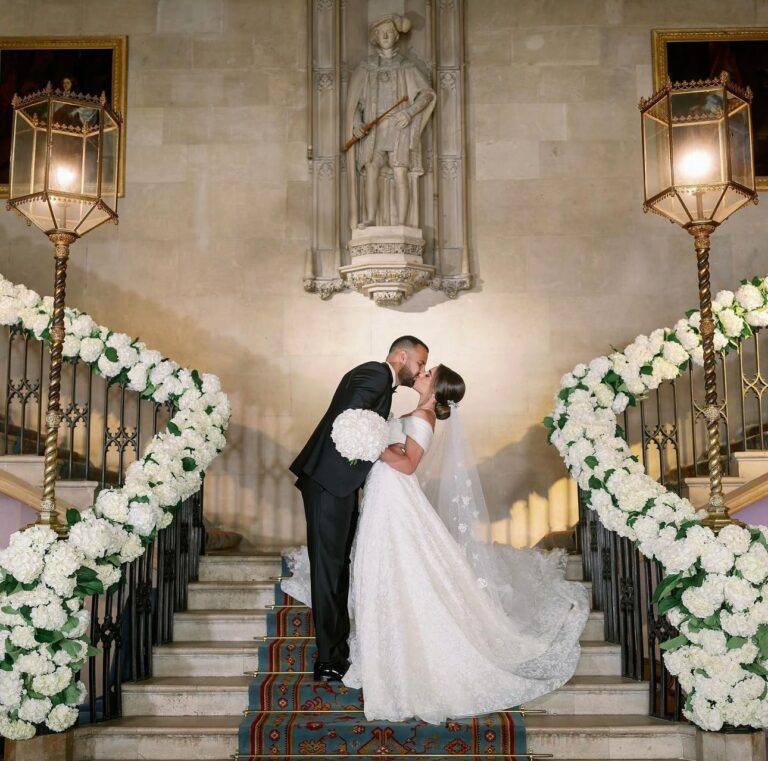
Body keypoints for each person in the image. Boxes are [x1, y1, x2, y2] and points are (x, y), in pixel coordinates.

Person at [284, 365, 590, 724]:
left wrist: (376, 444)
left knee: (399, 569)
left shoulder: (425, 416)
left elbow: (409, 463)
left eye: (428, 372)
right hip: (382, 498)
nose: (422, 372)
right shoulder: (415, 412)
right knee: (378, 571)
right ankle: (383, 652)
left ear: (436, 387)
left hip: (397, 500)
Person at [289, 336, 429, 683]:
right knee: (328, 568)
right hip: (328, 481)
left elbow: (363, 424)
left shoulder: (381, 382)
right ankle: (329, 660)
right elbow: (351, 422)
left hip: (340, 484)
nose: (421, 370)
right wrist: (385, 442)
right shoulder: (376, 373)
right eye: (420, 363)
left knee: (337, 566)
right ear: (401, 356)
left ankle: (336, 651)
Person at [345, 14, 436, 230]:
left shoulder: (405, 66)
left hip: (398, 128)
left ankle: (403, 223)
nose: (385, 35)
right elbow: (357, 104)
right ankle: (370, 218)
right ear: (375, 37)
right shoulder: (366, 67)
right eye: (380, 32)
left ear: (396, 36)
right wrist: (357, 122)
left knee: (400, 172)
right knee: (371, 169)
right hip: (373, 130)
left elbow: (426, 94)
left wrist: (409, 113)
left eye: (389, 32)